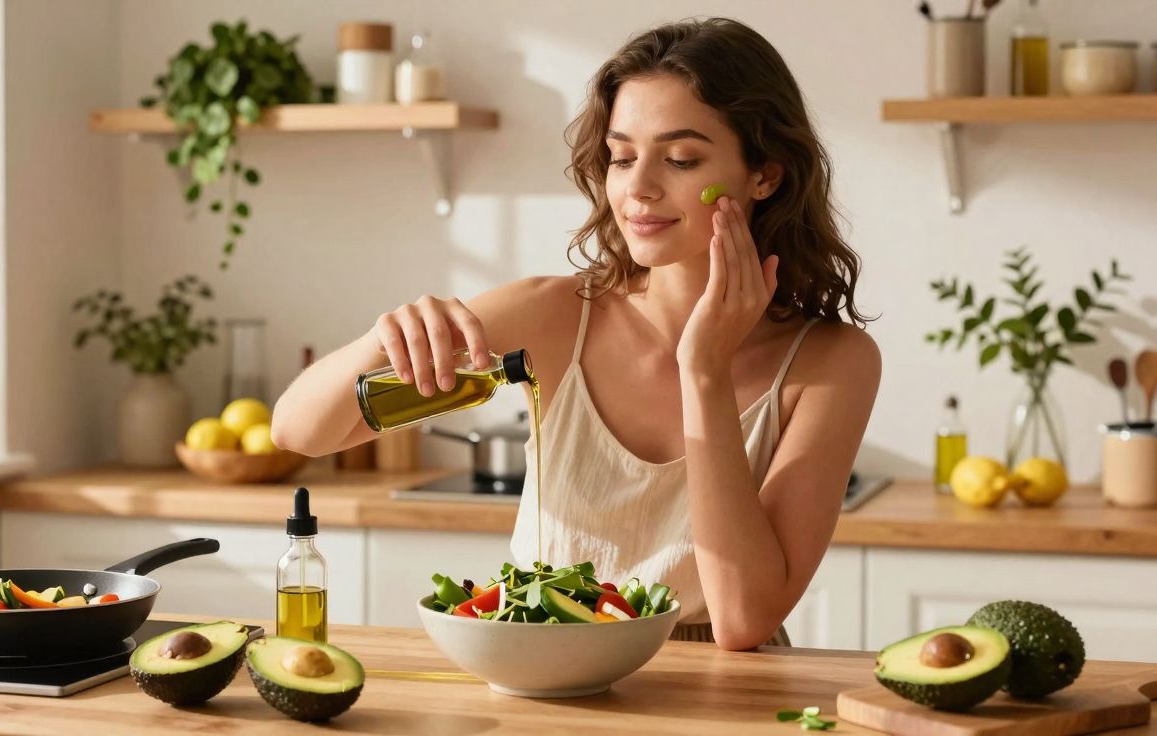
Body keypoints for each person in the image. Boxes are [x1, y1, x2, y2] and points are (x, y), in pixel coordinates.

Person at [272, 17, 880, 651]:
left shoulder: (831, 363)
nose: (638, 188)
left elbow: (743, 620)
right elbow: (300, 432)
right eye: (621, 157)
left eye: (680, 159)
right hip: (542, 663)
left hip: (721, 691)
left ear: (766, 175)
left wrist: (703, 369)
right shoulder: (555, 317)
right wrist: (381, 339)